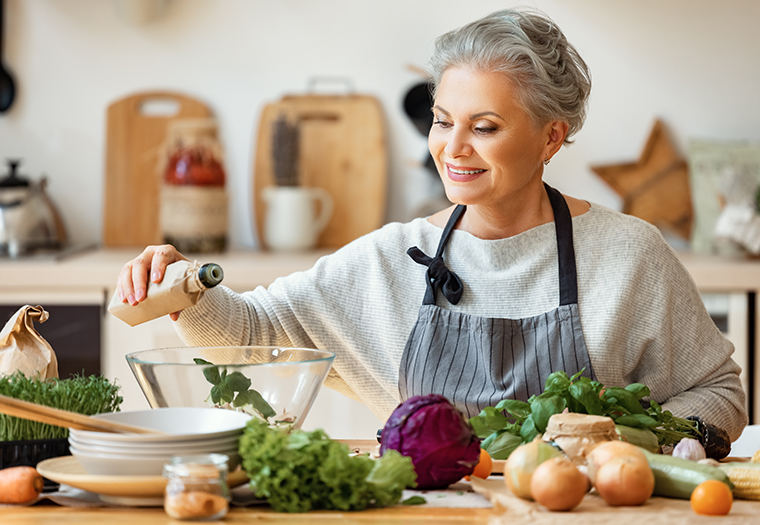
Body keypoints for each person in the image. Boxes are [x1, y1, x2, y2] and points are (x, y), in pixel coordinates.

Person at [117, 8, 747, 441]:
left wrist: (661, 444)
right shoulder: (393, 257)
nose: (453, 148)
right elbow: (257, 334)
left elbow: (717, 390)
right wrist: (186, 287)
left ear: (552, 136)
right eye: (444, 120)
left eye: (486, 126)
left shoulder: (629, 255)